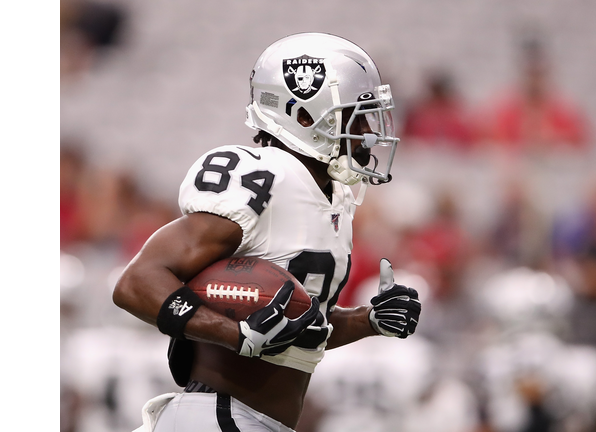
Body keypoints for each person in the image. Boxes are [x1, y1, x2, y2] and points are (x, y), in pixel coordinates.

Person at [113, 32, 422, 432]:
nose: (366, 130)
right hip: (217, 417)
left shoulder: (332, 195)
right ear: (305, 115)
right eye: (355, 114)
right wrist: (230, 332)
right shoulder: (264, 178)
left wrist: (369, 320)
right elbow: (136, 282)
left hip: (251, 421)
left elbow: (294, 333)